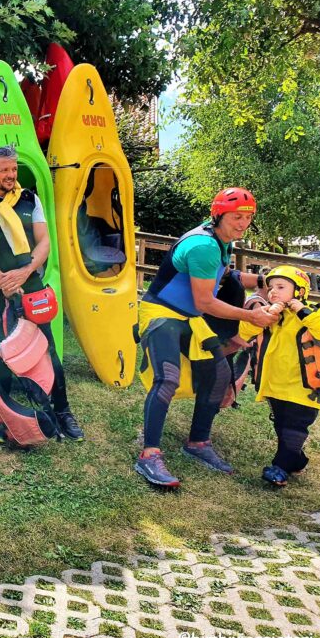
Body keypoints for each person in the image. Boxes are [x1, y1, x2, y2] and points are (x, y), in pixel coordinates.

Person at [135, 187, 278, 487]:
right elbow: (205, 302)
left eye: (247, 218)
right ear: (219, 215)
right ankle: (149, 455)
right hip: (162, 313)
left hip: (189, 317)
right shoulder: (204, 246)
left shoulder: (220, 241)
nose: (242, 224)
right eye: (236, 217)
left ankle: (198, 442)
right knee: (168, 378)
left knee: (218, 373)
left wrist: (270, 281)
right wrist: (252, 316)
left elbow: (226, 276)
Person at [0, 146, 84, 443]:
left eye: (13, 170)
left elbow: (43, 242)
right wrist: (3, 278)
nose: (11, 176)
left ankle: (62, 410)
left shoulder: (30, 199)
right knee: (2, 348)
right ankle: (2, 415)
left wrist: (24, 274)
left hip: (28, 280)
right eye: (4, 170)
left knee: (47, 345)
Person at [237, 266, 320, 486]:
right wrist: (262, 317)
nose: (273, 292)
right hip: (275, 386)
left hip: (305, 387)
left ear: (299, 291)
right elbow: (243, 334)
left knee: (294, 426)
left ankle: (280, 467)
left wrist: (304, 312)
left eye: (281, 287)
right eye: (271, 288)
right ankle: (296, 461)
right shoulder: (270, 316)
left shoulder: (315, 313)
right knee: (282, 426)